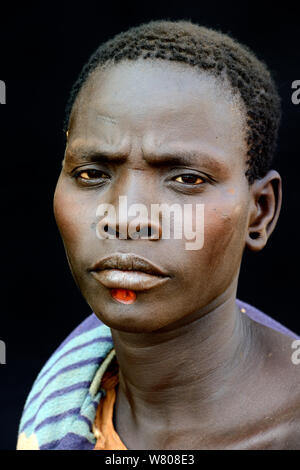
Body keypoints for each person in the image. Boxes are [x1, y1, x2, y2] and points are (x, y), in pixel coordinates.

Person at [17, 20, 300, 450]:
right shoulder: (62, 410)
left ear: (259, 212)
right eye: (92, 174)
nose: (126, 218)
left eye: (186, 179)